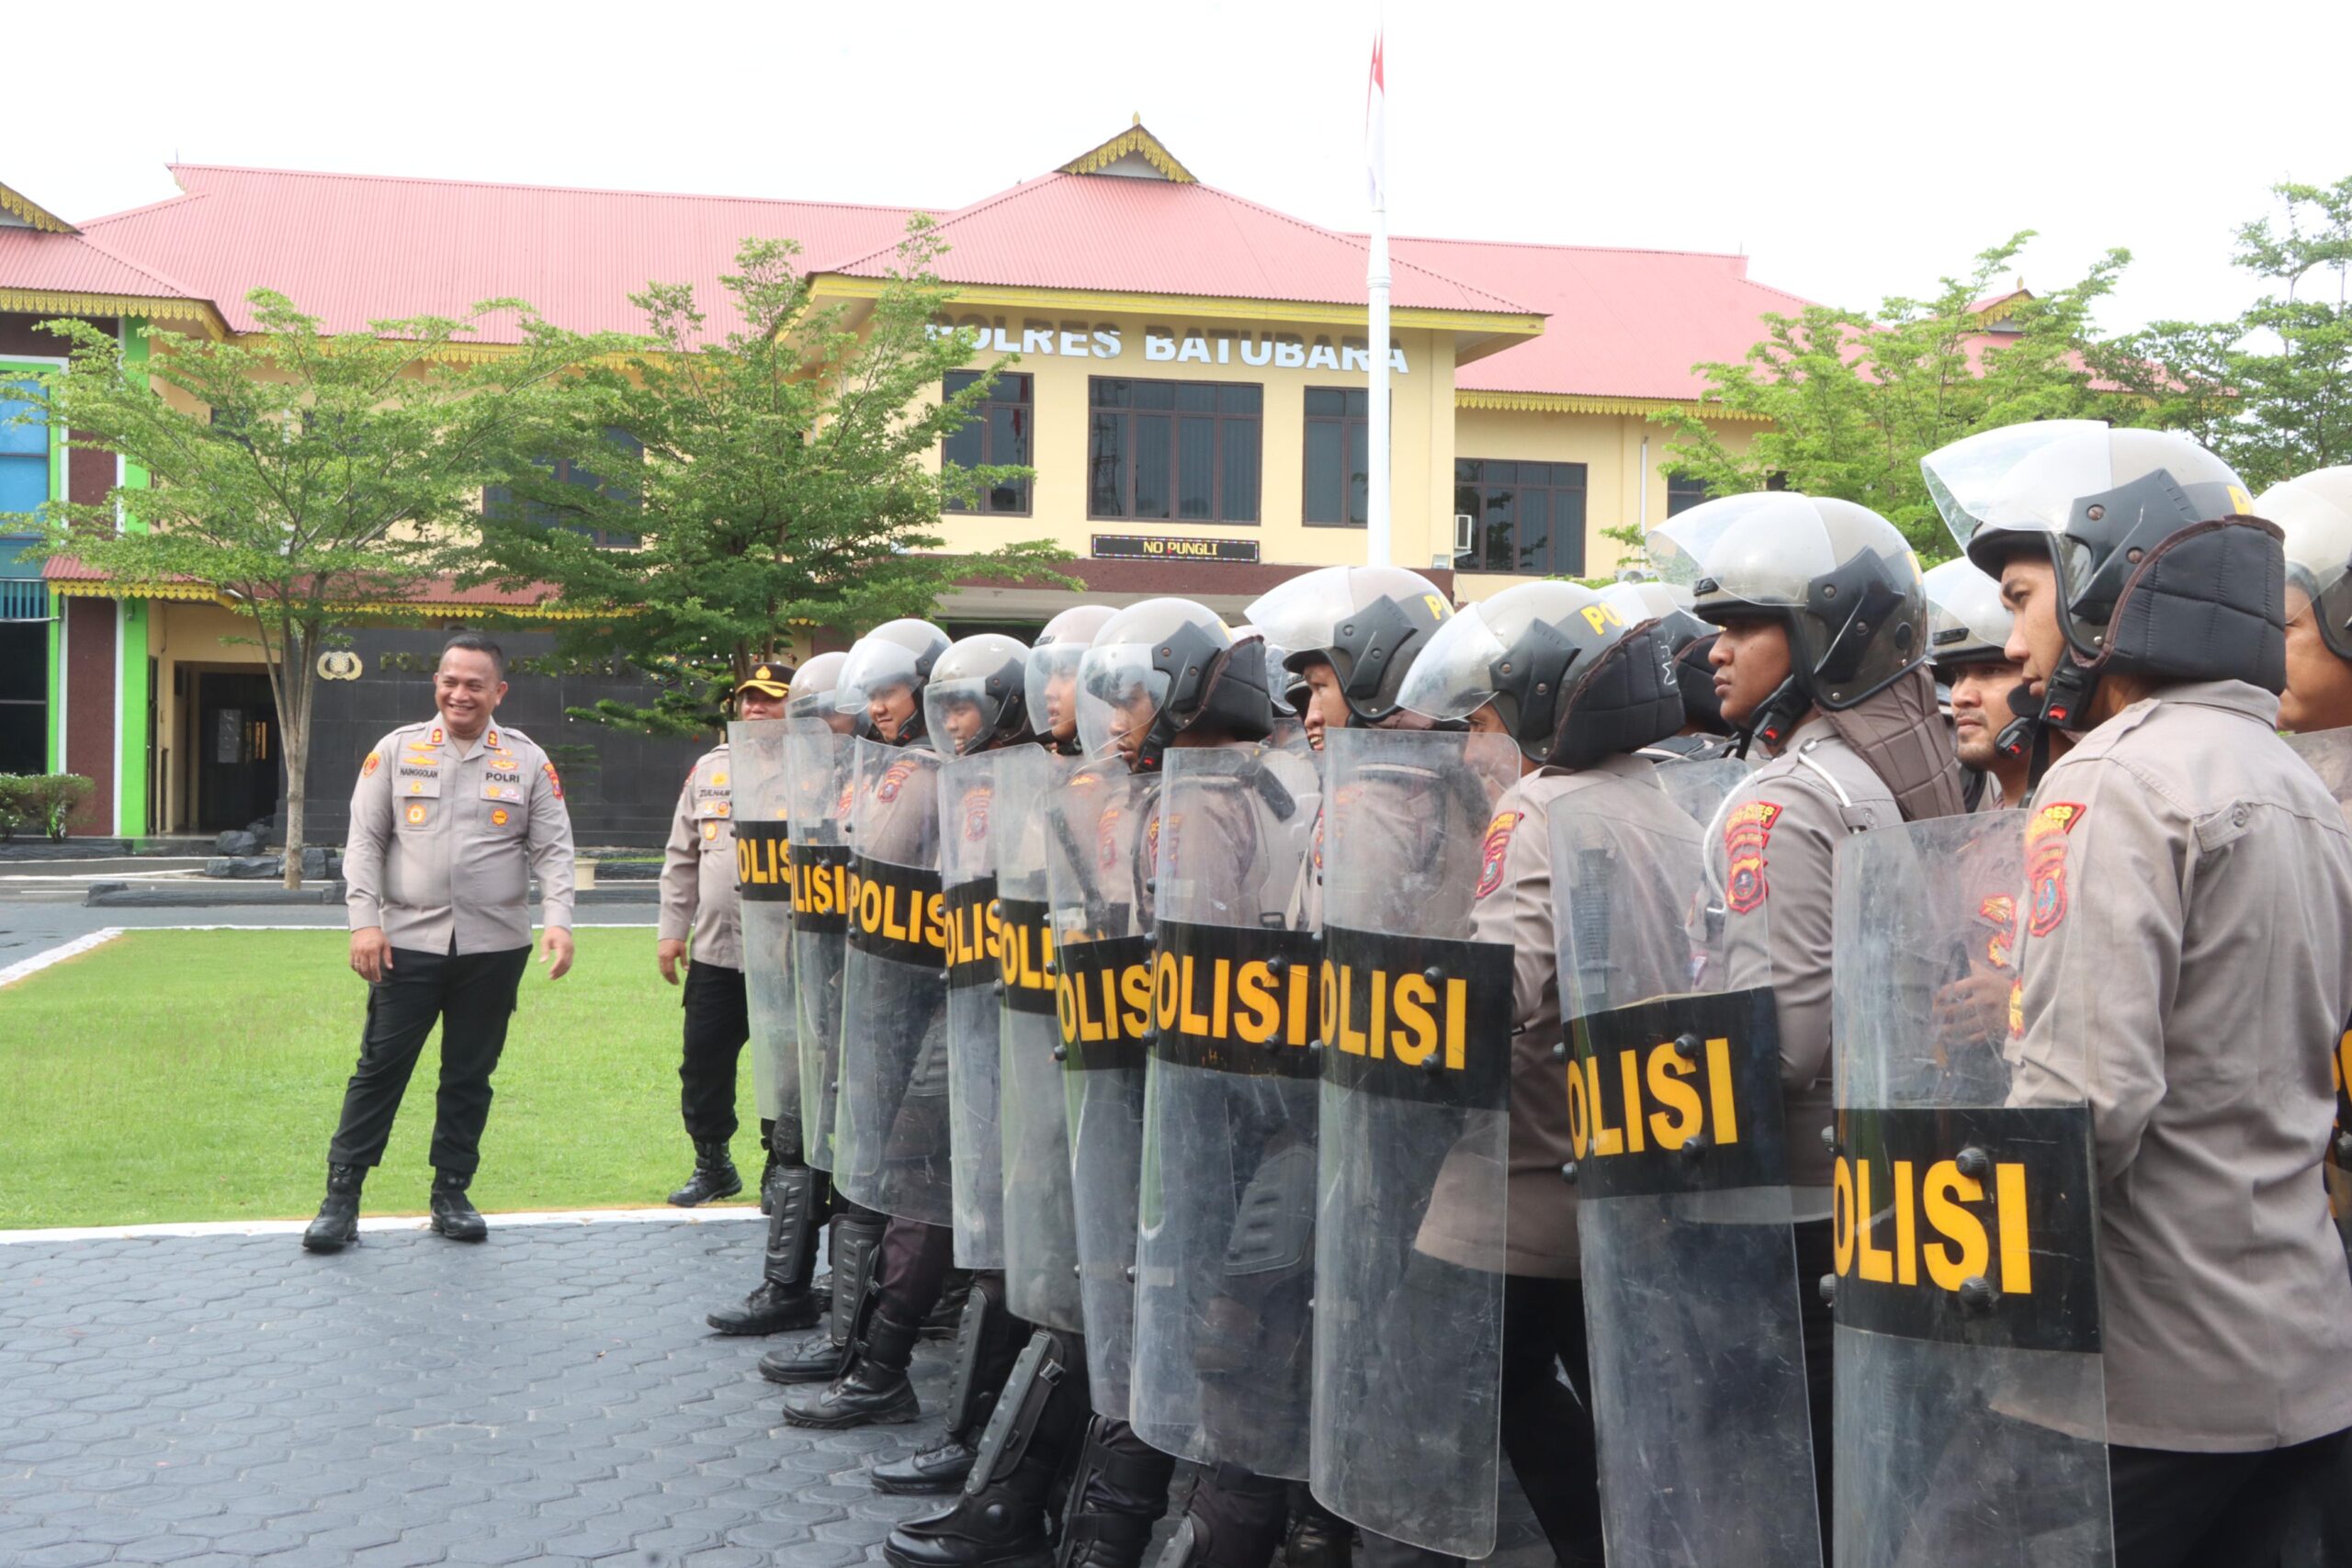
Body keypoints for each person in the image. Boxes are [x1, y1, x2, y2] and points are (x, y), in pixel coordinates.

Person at [1939, 424, 2352, 1568]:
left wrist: (1951, 1258)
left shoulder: (2111, 778)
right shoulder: (2295, 777)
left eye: (2024, 597)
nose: (2014, 646)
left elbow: (2085, 1102)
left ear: (2106, 583)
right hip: (2297, 1356)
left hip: (2137, 1384)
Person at [1644, 491, 1964, 1540]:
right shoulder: (1903, 767)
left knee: (1774, 1497)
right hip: (1895, 1187)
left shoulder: (1783, 799)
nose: (1716, 651)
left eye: (1744, 627)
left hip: (1787, 1200)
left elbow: (1779, 1043)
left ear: (1821, 635)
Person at [303, 632, 576, 1253]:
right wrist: (363, 922)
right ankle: (340, 1199)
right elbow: (365, 842)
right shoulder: (396, 752)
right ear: (437, 683)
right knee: (380, 1069)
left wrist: (559, 919)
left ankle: (451, 1192)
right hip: (406, 941)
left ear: (498, 691)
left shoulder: (528, 760)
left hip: (494, 945)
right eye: (450, 680)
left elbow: (554, 848)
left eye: (475, 683)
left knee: (469, 1074)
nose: (460, 692)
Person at [869, 631, 1046, 1494]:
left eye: (970, 704)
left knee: (1007, 1237)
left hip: (1034, 1033)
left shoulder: (1061, 784)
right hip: (960, 1010)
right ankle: (881, 1365)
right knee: (922, 1178)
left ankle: (987, 1441)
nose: (954, 722)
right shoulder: (956, 780)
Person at [778, 618, 960, 1429]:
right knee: (864, 1163)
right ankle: (848, 1339)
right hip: (880, 992)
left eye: (891, 690)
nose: (878, 706)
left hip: (938, 1003)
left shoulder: (956, 776)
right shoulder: (881, 770)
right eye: (875, 692)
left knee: (903, 1173)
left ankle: (874, 1354)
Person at [710, 650, 854, 1339]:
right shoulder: (785, 783)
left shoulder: (891, 780)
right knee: (795, 1141)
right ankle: (785, 1286)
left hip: (874, 995)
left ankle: (860, 1311)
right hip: (805, 986)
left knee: (863, 1153)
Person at [656, 664, 793, 1208]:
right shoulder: (710, 770)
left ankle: (780, 1169)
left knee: (785, 1067)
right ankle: (713, 1165)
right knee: (703, 1060)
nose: (755, 708)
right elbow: (681, 855)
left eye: (769, 699)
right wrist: (671, 933)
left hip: (786, 953)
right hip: (716, 950)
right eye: (748, 699)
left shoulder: (815, 767)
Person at [1922, 558, 2037, 811]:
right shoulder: (1984, 821)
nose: (1961, 696)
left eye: (1991, 671)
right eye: (1959, 674)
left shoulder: (2083, 811)